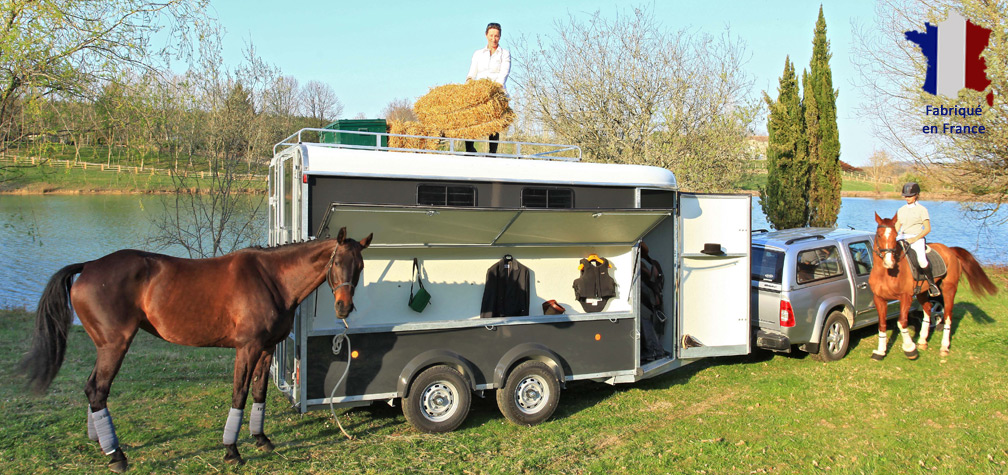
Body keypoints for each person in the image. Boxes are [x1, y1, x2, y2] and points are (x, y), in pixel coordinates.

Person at [465, 22, 510, 154]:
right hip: (480, 90)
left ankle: (492, 152)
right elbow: (472, 73)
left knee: (494, 121)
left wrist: (495, 88)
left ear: (500, 37)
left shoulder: (504, 54)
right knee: (470, 117)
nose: (493, 39)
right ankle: (470, 148)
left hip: (496, 91)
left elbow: (504, 73)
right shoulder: (478, 54)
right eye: (491, 35)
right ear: (486, 35)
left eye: (496, 36)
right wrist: (469, 84)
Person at [896, 182, 940, 296]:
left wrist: (914, 239)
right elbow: (897, 226)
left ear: (916, 195)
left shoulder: (922, 210)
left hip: (916, 238)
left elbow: (927, 228)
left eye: (910, 196)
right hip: (902, 238)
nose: (907, 198)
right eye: (905, 196)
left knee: (921, 260)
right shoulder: (901, 210)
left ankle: (932, 284)